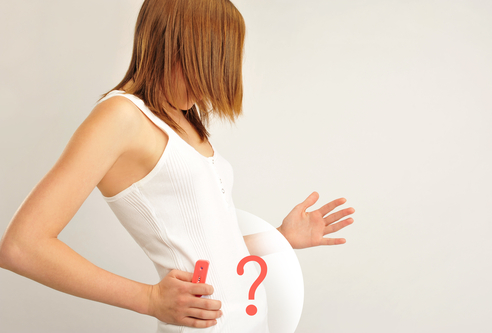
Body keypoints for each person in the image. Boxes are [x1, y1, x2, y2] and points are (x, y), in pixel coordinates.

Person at [0, 0, 355, 332]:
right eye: (203, 67)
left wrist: (281, 236)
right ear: (169, 45)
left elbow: (209, 246)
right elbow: (21, 246)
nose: (207, 88)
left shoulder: (181, 117)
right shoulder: (120, 117)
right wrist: (149, 299)